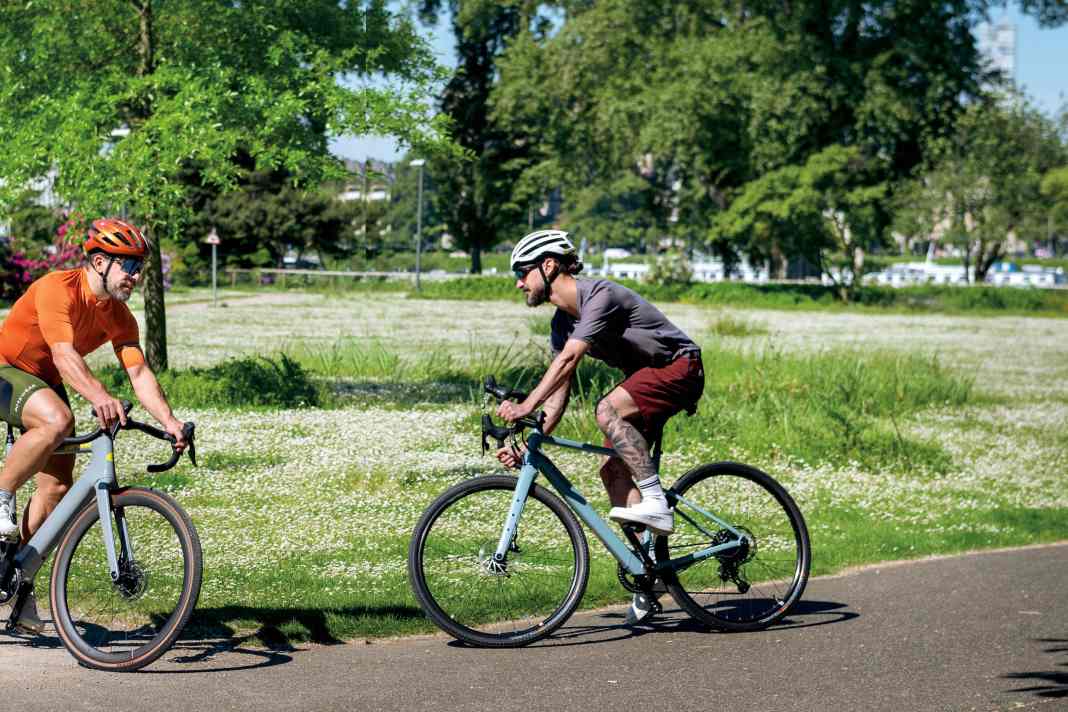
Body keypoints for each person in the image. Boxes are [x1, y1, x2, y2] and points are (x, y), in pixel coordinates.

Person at [495, 229, 704, 623]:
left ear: (549, 265)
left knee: (607, 409)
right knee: (612, 471)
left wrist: (524, 405)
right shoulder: (562, 323)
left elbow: (568, 361)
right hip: (645, 380)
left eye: (522, 272)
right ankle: (649, 575)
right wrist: (531, 442)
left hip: (679, 368)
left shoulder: (599, 296)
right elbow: (559, 392)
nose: (520, 283)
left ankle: (656, 503)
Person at [0, 218, 188, 633]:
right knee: (58, 419)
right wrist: (100, 396)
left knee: (58, 487)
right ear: (100, 261)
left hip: (43, 383)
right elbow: (64, 355)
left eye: (140, 268)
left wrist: (171, 421)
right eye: (129, 267)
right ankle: (0, 497)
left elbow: (139, 374)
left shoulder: (120, 317)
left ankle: (15, 578)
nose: (136, 277)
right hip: (6, 368)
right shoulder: (57, 289)